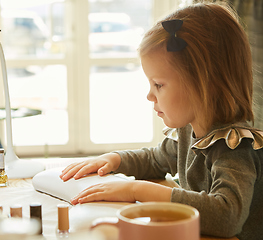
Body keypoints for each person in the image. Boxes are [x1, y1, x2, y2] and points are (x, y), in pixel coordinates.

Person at [60, 2, 263, 240]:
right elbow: (155, 159)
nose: (149, 95)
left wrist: (137, 190)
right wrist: (112, 160)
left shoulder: (234, 146)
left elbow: (227, 217)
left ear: (203, 84)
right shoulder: (189, 132)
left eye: (158, 85)